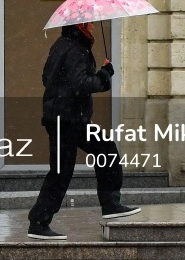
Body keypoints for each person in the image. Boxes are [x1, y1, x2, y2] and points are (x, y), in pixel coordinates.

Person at [27, 21, 139, 240]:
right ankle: (39, 222)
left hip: (69, 118)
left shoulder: (62, 45)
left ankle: (110, 204)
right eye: (90, 24)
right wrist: (105, 75)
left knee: (105, 150)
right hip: (66, 120)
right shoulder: (75, 49)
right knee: (62, 171)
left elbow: (46, 78)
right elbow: (82, 84)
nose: (93, 28)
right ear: (80, 27)